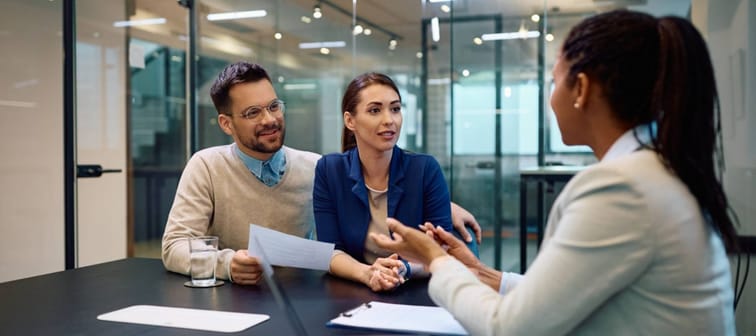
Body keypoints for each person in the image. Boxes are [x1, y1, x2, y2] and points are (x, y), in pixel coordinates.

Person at [371, 10, 738, 335]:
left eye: (555, 81)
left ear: (581, 88)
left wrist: (436, 260)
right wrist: (481, 273)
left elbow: (507, 327)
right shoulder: (651, 171)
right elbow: (563, 294)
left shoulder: (622, 188)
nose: (552, 97)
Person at [162, 62, 481, 285]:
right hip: (239, 299)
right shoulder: (206, 165)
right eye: (253, 113)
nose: (270, 119)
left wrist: (445, 206)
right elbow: (175, 246)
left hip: (309, 295)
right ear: (226, 124)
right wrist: (227, 264)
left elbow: (369, 183)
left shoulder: (314, 167)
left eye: (274, 106)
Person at [313, 73, 478, 292]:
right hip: (356, 291)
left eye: (395, 109)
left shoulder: (424, 169)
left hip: (420, 293)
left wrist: (403, 269)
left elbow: (442, 252)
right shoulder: (329, 170)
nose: (389, 120)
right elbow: (330, 252)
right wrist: (368, 273)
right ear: (350, 120)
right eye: (374, 110)